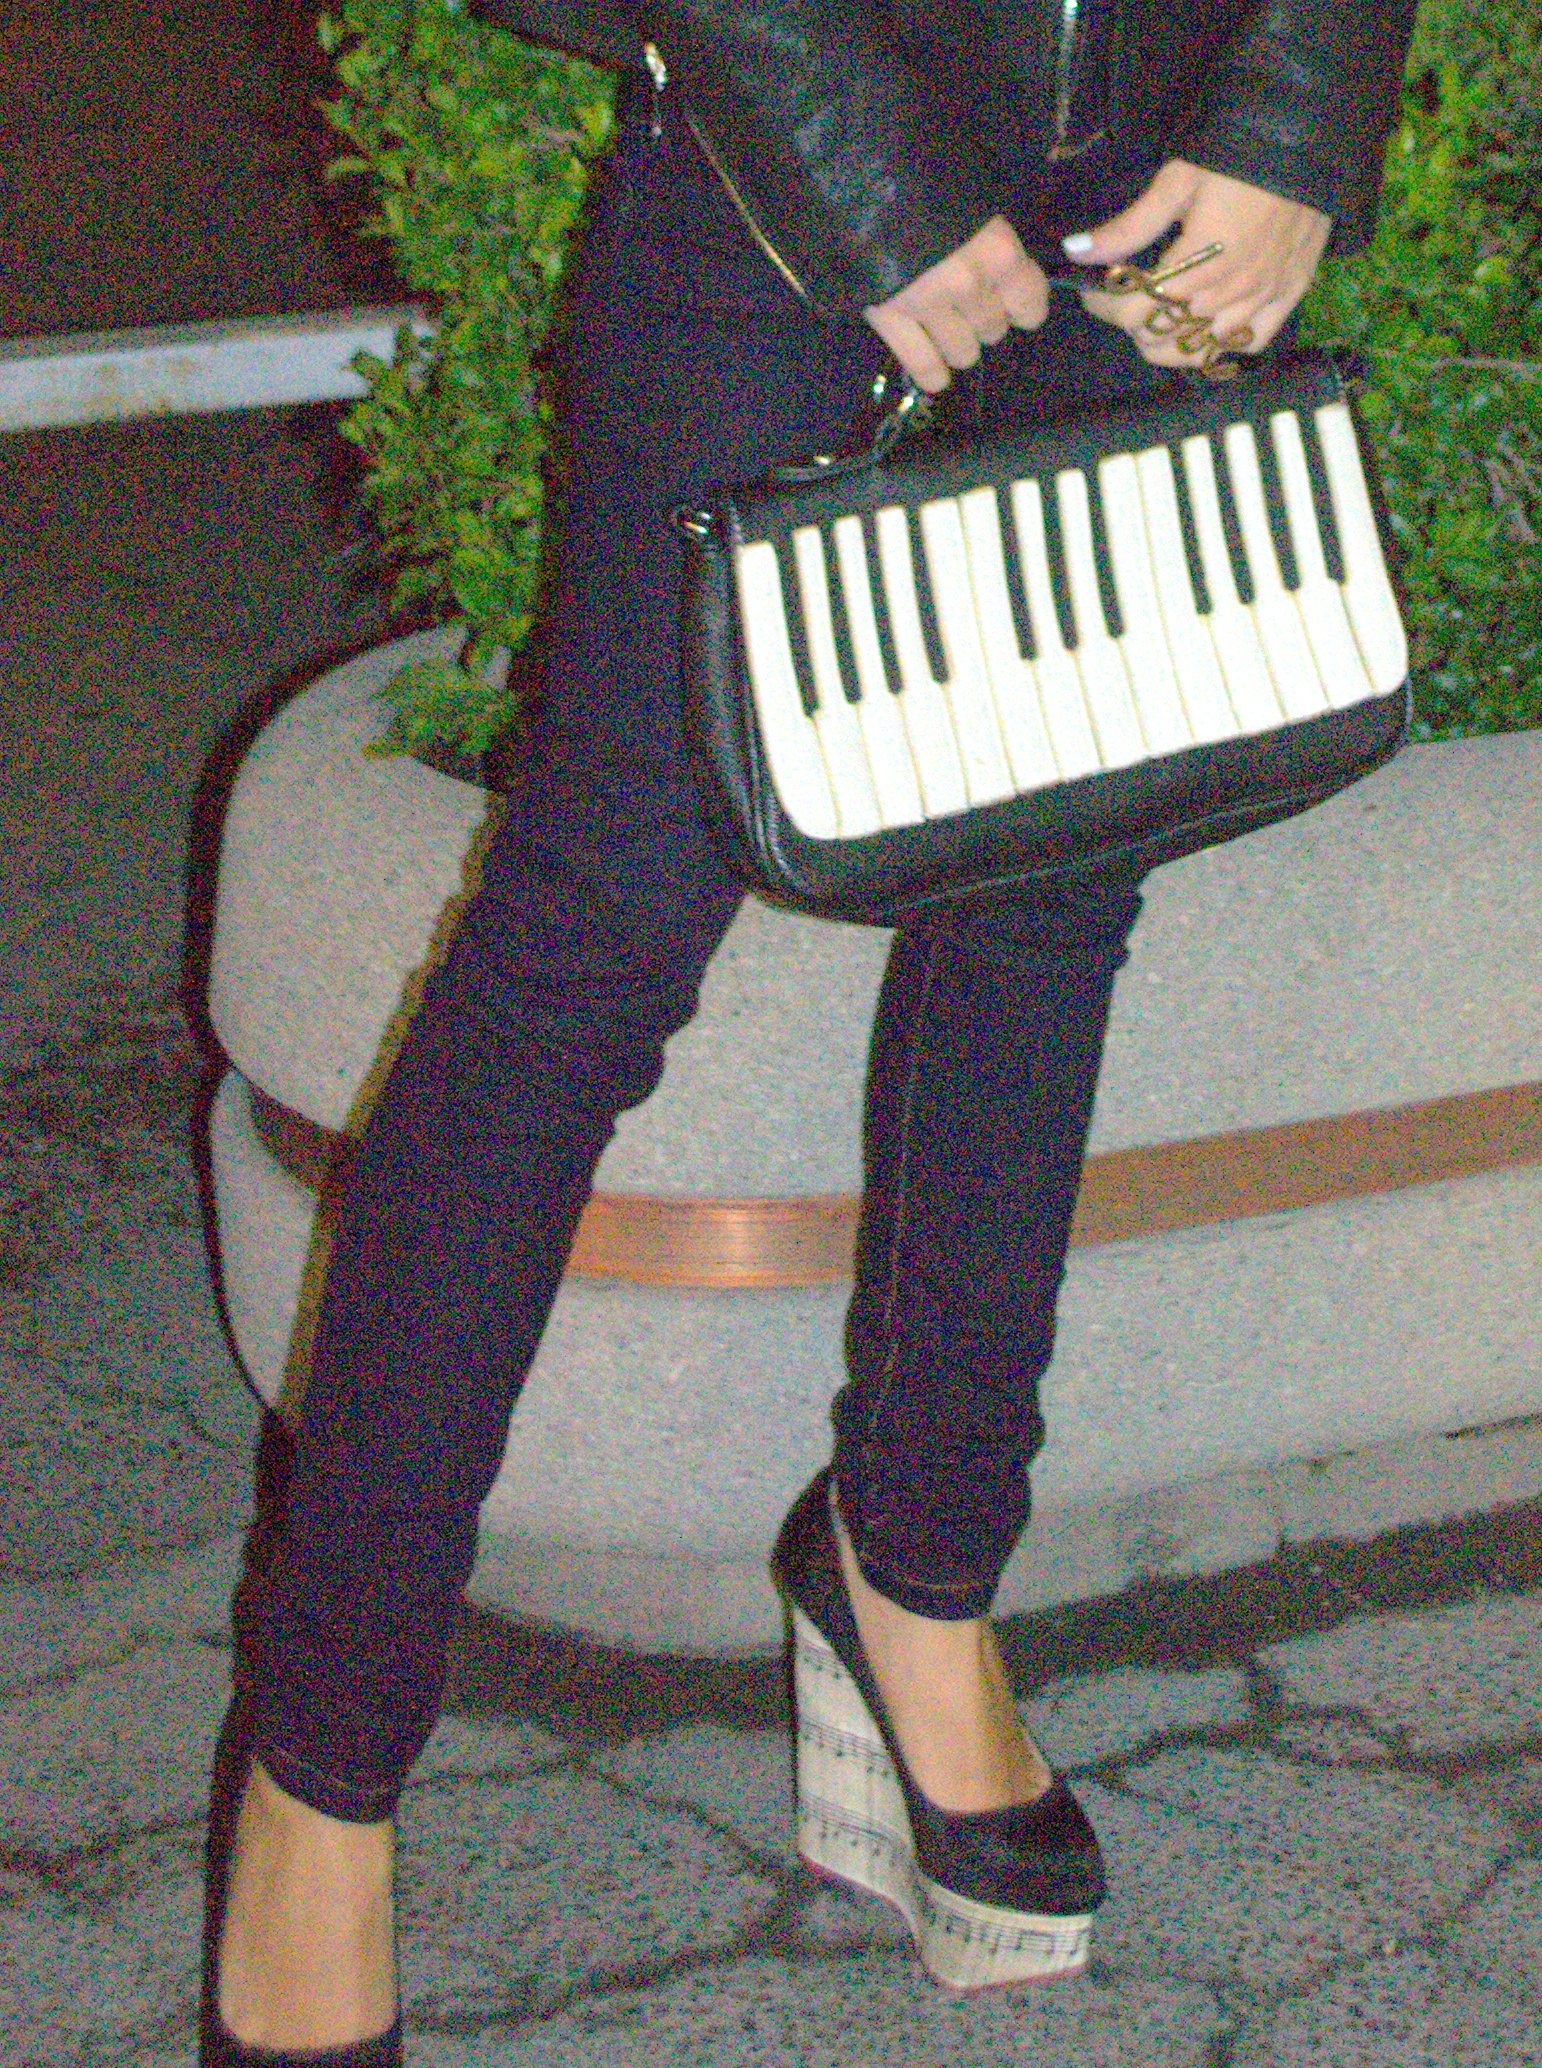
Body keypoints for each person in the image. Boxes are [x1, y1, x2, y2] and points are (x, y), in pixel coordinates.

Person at [203, 0, 1415, 2055]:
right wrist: (861, 168)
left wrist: (1300, 106)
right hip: (780, 154)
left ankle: (915, 1573)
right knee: (576, 961)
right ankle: (317, 1768)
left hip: (1171, 166)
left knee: (1049, 889)